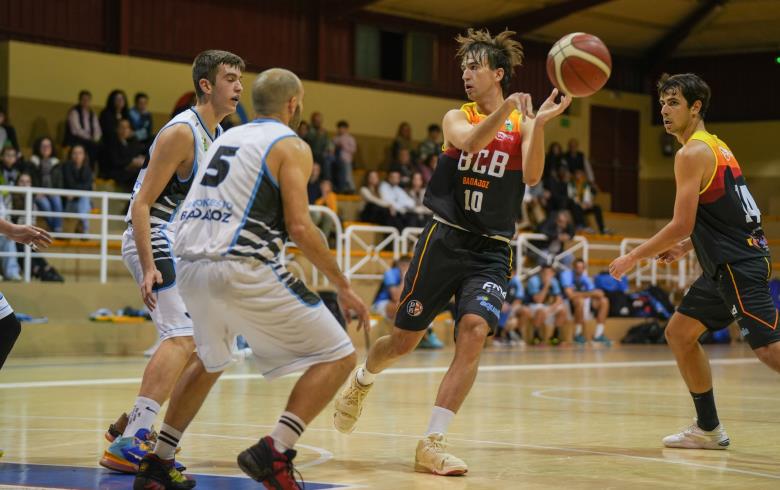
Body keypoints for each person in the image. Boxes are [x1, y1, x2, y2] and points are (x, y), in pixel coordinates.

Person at [333, 28, 570, 474]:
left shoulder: (524, 123)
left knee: (475, 332)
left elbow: (534, 176)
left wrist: (538, 124)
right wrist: (509, 108)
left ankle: (432, 441)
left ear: (497, 72)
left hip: (492, 250)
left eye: (475, 66)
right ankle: (363, 378)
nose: (466, 73)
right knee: (403, 342)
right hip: (444, 240)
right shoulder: (454, 116)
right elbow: (472, 142)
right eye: (464, 66)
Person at [133, 67, 369, 490]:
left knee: (209, 359)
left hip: (189, 265)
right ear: (293, 104)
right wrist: (343, 284)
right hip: (239, 265)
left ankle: (158, 462)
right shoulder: (290, 144)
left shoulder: (225, 137)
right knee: (340, 355)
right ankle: (275, 451)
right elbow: (300, 227)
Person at [609, 73, 777, 450]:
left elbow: (681, 221)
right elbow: (724, 213)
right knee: (680, 333)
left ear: (695, 107)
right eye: (663, 103)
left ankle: (708, 427)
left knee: (769, 349)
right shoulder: (716, 147)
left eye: (674, 103)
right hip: (728, 263)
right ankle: (708, 428)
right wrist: (687, 246)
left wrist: (634, 256)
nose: (665, 111)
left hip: (737, 265)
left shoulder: (691, 154)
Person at [99, 50, 245, 476]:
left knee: (210, 345)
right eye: (231, 79)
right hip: (153, 235)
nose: (239, 87)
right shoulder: (182, 132)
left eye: (241, 79)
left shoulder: (217, 135)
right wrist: (148, 266)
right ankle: (132, 441)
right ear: (206, 85)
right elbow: (141, 204)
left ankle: (130, 424)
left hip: (182, 243)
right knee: (181, 336)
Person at [560, 258, 610, 345]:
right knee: (580, 301)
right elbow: (570, 295)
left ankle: (598, 335)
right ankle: (577, 334)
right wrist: (590, 294)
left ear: (584, 268)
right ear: (573, 267)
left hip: (585, 304)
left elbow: (597, 293)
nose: (579, 269)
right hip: (567, 304)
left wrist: (593, 293)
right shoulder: (566, 275)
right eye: (577, 267)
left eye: (581, 268)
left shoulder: (585, 277)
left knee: (604, 301)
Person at [525, 265, 569, 345]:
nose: (548, 275)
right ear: (541, 273)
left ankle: (555, 337)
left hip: (547, 306)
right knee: (540, 310)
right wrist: (546, 286)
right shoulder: (533, 281)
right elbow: (538, 300)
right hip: (532, 306)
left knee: (562, 310)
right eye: (545, 273)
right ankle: (536, 337)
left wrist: (550, 309)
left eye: (550, 273)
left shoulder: (554, 281)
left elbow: (559, 299)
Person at [29, 137, 64, 233]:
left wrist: (55, 191)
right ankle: (54, 227)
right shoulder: (33, 162)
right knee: (45, 204)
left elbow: (60, 182)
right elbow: (32, 179)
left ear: (52, 148)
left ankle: (57, 229)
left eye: (48, 146)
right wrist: (36, 192)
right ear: (38, 147)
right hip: (39, 193)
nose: (46, 148)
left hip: (52, 191)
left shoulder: (57, 163)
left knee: (57, 200)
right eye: (43, 146)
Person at [61, 145, 94, 233]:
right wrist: (80, 190)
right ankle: (84, 228)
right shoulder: (66, 167)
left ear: (84, 155)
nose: (77, 156)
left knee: (84, 198)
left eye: (80, 153)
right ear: (70, 155)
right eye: (74, 153)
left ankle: (83, 225)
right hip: (69, 202)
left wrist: (76, 193)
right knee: (84, 197)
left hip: (80, 200)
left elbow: (87, 187)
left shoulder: (88, 169)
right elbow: (70, 184)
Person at [64, 90, 102, 166]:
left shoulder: (92, 113)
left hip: (90, 140)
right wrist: (89, 138)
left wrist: (96, 138)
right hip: (76, 138)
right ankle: (89, 169)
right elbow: (76, 130)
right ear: (80, 100)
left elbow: (97, 129)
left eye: (87, 100)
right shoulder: (74, 112)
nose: (85, 101)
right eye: (83, 99)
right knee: (93, 146)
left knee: (102, 146)